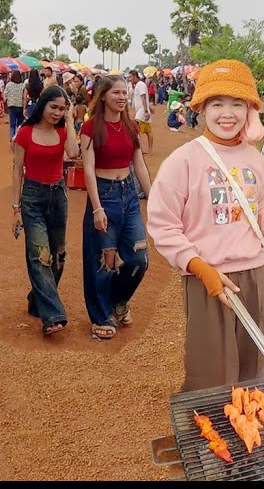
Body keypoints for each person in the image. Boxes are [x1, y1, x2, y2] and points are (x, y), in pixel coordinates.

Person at [147, 60, 264, 389]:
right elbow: (163, 226)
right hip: (208, 275)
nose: (227, 113)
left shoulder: (253, 158)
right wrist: (198, 267)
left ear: (249, 110)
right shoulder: (183, 160)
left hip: (256, 273)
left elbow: (257, 212)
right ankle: (208, 431)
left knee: (254, 366)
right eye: (217, 104)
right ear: (201, 108)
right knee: (211, 369)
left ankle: (247, 430)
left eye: (237, 104)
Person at [80, 75, 153, 341]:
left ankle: (119, 301)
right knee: (104, 260)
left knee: (138, 259)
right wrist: (97, 208)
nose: (122, 97)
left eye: (125, 93)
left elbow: (140, 165)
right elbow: (88, 168)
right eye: (116, 93)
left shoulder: (131, 126)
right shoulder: (90, 129)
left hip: (129, 194)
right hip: (104, 194)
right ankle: (100, 316)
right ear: (103, 96)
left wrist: (152, 196)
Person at [12, 86, 79, 336]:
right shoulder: (26, 133)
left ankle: (36, 300)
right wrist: (15, 207)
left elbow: (73, 153)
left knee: (58, 256)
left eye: (62, 109)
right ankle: (52, 315)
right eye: (54, 107)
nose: (57, 112)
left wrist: (70, 121)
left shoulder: (63, 131)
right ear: (43, 105)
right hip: (32, 198)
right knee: (40, 255)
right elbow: (17, 170)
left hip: (58, 197)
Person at [128, 70, 153, 155]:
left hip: (141, 112)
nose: (129, 79)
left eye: (130, 77)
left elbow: (143, 98)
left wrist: (146, 111)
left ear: (135, 76)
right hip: (141, 111)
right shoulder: (139, 85)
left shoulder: (140, 85)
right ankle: (148, 149)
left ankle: (140, 150)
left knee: (135, 130)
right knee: (147, 131)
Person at [6, 71, 28, 141]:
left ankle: (12, 137)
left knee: (12, 123)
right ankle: (18, 137)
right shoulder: (23, 85)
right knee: (19, 123)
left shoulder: (9, 85)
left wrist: (7, 102)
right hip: (20, 106)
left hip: (11, 106)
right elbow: (25, 97)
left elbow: (5, 95)